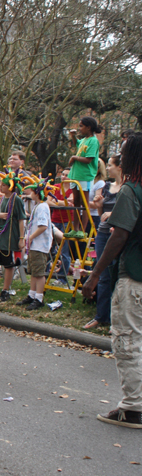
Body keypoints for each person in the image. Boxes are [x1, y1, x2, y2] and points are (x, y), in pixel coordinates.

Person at [82, 133, 142, 428]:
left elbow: (119, 235)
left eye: (123, 153)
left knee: (128, 341)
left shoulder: (132, 191)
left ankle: (133, 407)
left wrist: (94, 275)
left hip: (134, 276)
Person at [83, 154, 121, 331]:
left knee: (118, 276)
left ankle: (117, 317)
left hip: (119, 236)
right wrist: (99, 205)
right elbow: (100, 211)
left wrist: (113, 215)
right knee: (103, 274)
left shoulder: (128, 188)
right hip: (103, 234)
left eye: (111, 165)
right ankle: (101, 316)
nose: (109, 168)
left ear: (119, 168)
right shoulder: (106, 187)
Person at [0, 175, 27, 301]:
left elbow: (21, 219)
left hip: (10, 238)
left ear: (10, 187)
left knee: (8, 264)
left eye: (4, 185)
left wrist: (21, 238)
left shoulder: (17, 200)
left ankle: (5, 290)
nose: (1, 186)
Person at [17, 181, 52, 311]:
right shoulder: (38, 206)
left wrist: (30, 237)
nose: (30, 194)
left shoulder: (42, 207)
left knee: (39, 273)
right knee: (33, 272)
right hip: (33, 245)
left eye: (32, 191)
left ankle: (39, 298)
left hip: (39, 245)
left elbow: (43, 226)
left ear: (37, 193)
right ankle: (31, 295)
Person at [67, 116, 102, 235]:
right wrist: (73, 137)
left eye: (81, 126)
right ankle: (75, 228)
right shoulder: (84, 140)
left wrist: (74, 157)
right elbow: (78, 145)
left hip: (85, 175)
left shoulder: (93, 140)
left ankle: (82, 230)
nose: (79, 128)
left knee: (84, 203)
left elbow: (88, 159)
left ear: (88, 127)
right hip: (75, 174)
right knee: (76, 201)